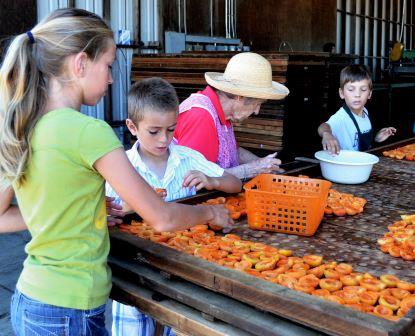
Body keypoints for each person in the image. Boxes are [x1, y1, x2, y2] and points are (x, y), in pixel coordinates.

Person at [0, 8, 233, 336]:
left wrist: (71, 216)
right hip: (70, 310)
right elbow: (161, 218)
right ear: (80, 63)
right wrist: (211, 211)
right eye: (108, 65)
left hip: (31, 300)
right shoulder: (88, 131)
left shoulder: (23, 124)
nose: (111, 78)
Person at [106, 77, 241, 336]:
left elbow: (235, 184)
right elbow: (103, 212)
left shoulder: (187, 158)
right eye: (154, 131)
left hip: (185, 271)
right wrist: (128, 206)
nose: (163, 139)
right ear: (132, 127)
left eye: (171, 129)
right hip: (135, 269)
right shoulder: (121, 167)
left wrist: (212, 180)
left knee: (182, 327)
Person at [174, 52, 290, 179]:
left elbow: (232, 152)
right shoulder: (201, 116)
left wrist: (265, 165)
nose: (257, 111)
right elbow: (195, 177)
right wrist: (250, 170)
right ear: (240, 96)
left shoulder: (223, 113)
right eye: (257, 104)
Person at [317, 64, 396, 154]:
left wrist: (377, 138)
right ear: (342, 93)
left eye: (363, 89)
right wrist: (326, 134)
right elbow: (323, 127)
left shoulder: (365, 112)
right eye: (351, 89)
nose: (357, 95)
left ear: (369, 94)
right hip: (347, 166)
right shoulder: (341, 117)